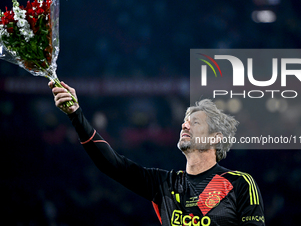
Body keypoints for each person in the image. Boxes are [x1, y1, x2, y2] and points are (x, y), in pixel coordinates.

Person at [49, 81, 265, 226]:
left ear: (215, 138)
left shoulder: (239, 184)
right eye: (184, 122)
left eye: (195, 123)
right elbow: (112, 165)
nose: (185, 126)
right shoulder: (165, 184)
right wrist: (76, 114)